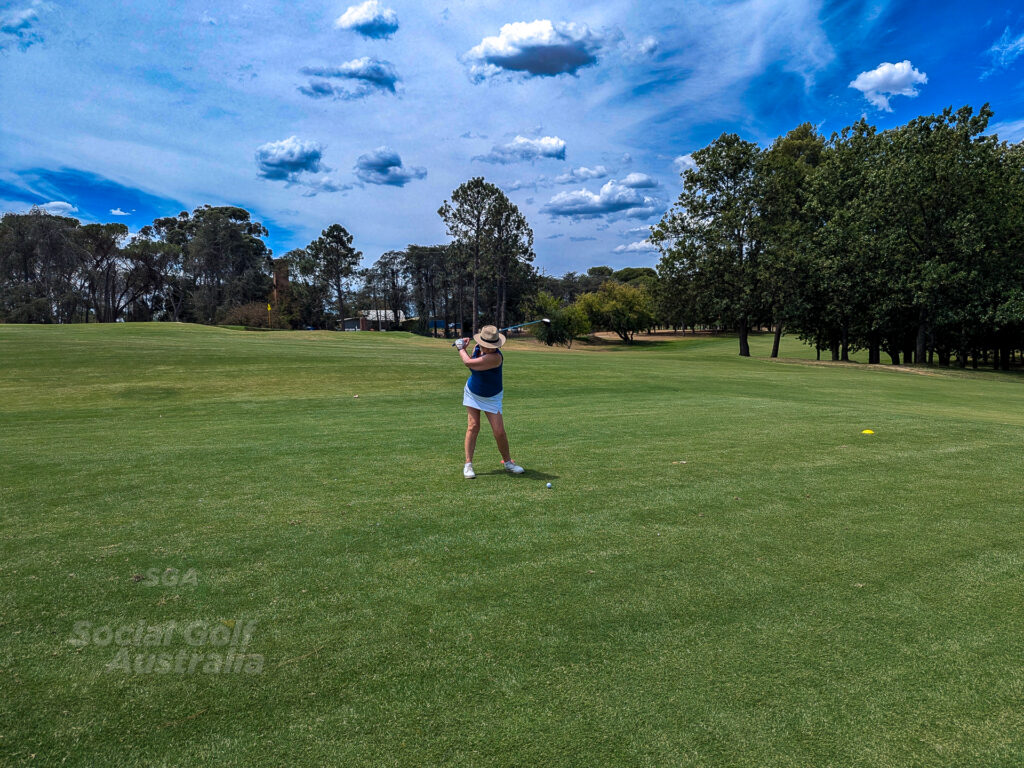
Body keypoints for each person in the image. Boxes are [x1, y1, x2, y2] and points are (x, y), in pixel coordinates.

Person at [455, 325, 525, 479]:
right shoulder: (478, 347)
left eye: (492, 346)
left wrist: (461, 348)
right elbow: (474, 362)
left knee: (499, 431)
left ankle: (508, 462)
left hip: (492, 397)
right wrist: (466, 345)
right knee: (473, 426)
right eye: (486, 345)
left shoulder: (495, 357)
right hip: (472, 392)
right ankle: (468, 464)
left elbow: (468, 363)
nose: (489, 348)